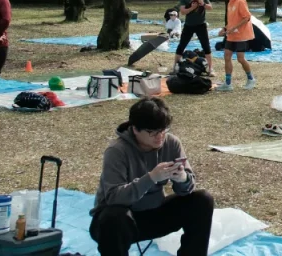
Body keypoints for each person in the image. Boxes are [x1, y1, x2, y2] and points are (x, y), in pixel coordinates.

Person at [90, 97, 214, 256]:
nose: (160, 137)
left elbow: (187, 189)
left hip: (154, 213)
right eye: (152, 132)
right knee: (114, 217)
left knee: (202, 200)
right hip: (118, 223)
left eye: (163, 130)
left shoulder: (171, 143)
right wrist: (151, 178)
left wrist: (182, 178)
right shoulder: (117, 151)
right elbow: (114, 198)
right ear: (135, 129)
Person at [218, 0, 256, 91]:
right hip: (231, 35)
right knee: (227, 56)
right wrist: (224, 29)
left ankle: (251, 79)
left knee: (240, 59)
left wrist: (234, 28)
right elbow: (232, 20)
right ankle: (228, 84)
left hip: (241, 35)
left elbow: (247, 17)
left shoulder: (240, 1)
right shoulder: (230, 2)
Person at [174, 0, 213, 75]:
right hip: (189, 25)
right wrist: (192, 7)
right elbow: (182, 11)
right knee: (181, 46)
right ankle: (175, 67)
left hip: (201, 25)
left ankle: (210, 69)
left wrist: (202, 3)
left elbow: (210, 7)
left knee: (206, 46)